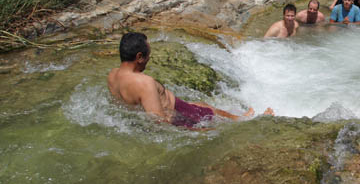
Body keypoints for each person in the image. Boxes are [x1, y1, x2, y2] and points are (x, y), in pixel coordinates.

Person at [107, 33, 273, 128]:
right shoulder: (144, 83)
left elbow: (123, 106)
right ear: (139, 57)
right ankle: (250, 123)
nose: (150, 58)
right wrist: (194, 128)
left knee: (203, 105)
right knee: (211, 115)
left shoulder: (113, 75)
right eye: (149, 55)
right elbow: (159, 122)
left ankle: (239, 118)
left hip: (178, 107)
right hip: (180, 117)